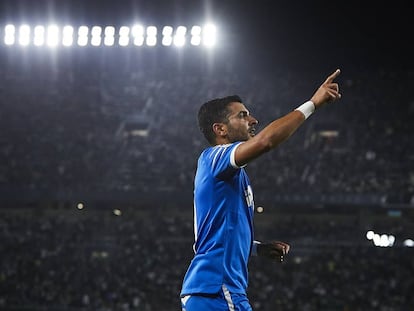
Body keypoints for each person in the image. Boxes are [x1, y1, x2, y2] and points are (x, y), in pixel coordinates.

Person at [180, 69, 342, 311]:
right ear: (220, 129)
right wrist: (312, 104)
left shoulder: (229, 174)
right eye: (243, 115)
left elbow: (215, 234)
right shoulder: (214, 158)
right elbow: (266, 141)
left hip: (214, 290)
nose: (253, 120)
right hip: (218, 290)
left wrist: (255, 248)